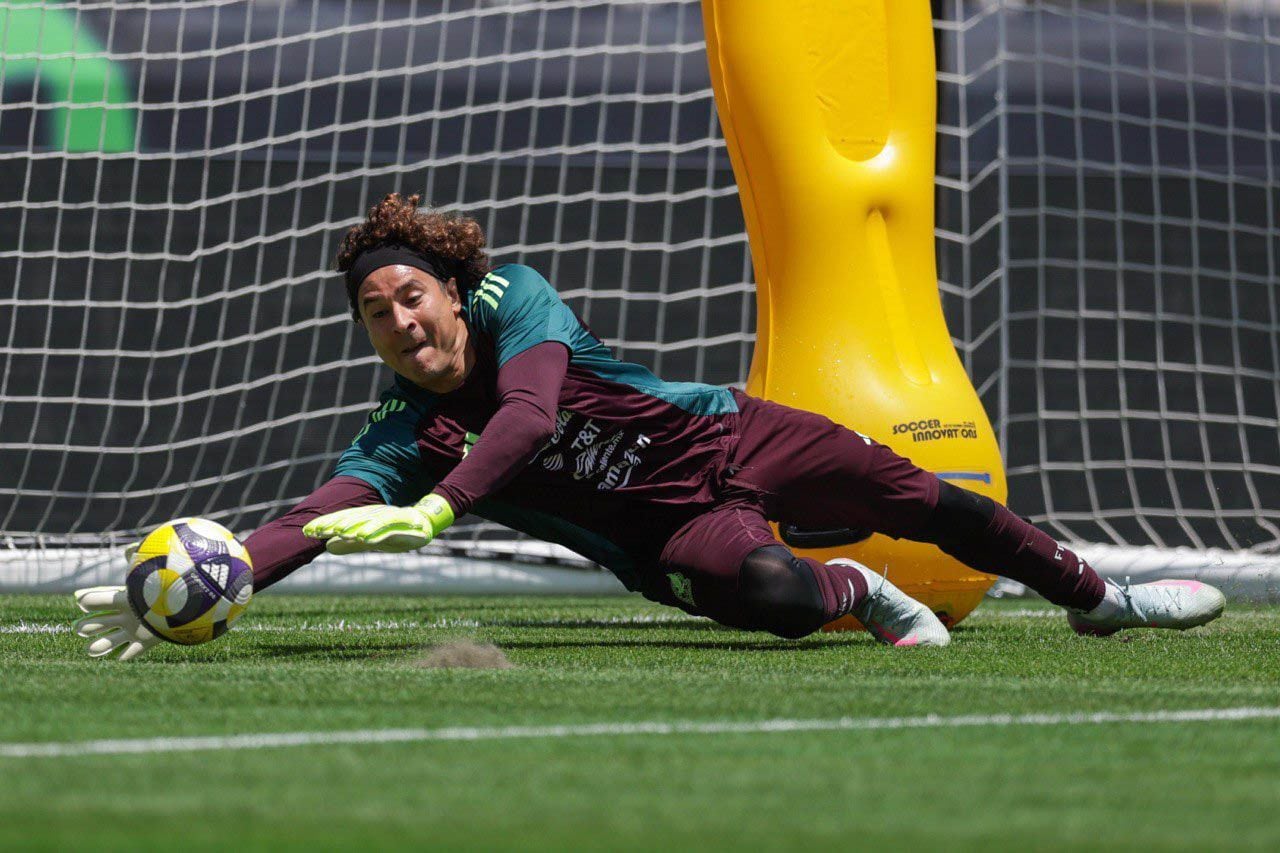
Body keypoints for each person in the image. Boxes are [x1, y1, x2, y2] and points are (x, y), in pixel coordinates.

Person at [73, 193, 1226, 660]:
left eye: (409, 296)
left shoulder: (516, 300)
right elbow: (314, 517)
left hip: (728, 436)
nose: (400, 322)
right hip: (660, 536)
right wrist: (212, 576)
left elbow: (528, 417)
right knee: (779, 601)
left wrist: (439, 508)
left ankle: (1099, 599)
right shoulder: (398, 431)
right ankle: (857, 590)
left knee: (925, 498)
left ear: (449, 289)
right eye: (375, 314)